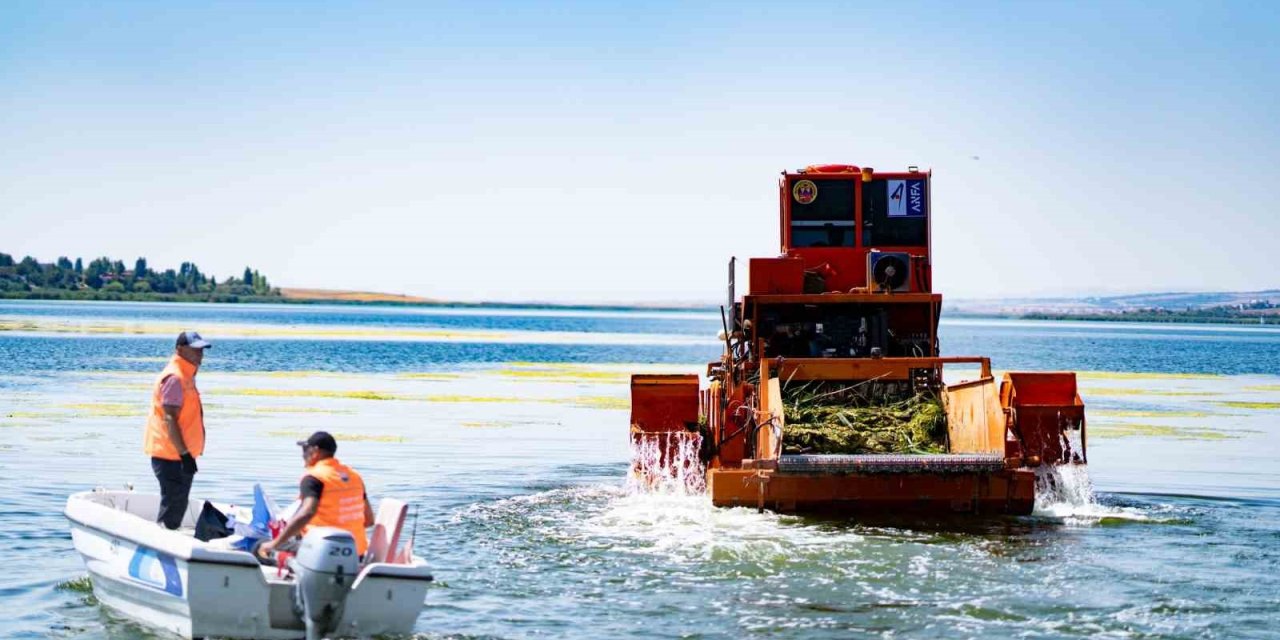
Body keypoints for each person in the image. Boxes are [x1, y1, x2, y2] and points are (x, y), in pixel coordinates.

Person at [257, 431, 375, 560]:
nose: (303, 455)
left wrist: (274, 544)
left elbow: (307, 513)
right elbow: (369, 520)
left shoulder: (314, 477)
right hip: (355, 553)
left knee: (259, 546)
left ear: (315, 451)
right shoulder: (354, 476)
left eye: (305, 449)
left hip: (323, 553)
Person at [143, 330, 211, 529]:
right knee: (173, 507)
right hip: (171, 456)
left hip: (179, 456)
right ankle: (161, 548)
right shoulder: (175, 377)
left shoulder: (186, 374)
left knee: (177, 504)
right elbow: (169, 418)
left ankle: (165, 542)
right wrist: (184, 455)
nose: (200, 354)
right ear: (180, 349)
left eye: (202, 350)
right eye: (195, 350)